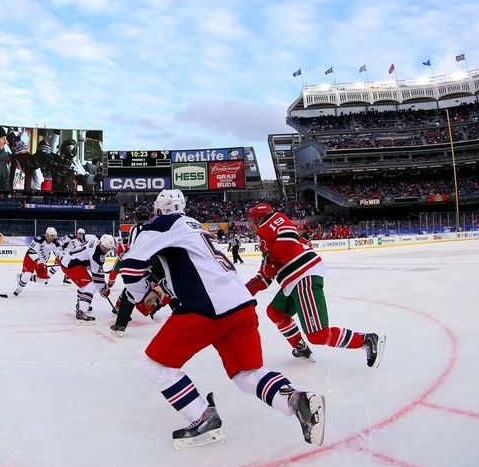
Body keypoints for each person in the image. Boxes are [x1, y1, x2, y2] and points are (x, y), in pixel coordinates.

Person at [120, 190, 325, 448]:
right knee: (247, 373)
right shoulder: (196, 227)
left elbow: (130, 268)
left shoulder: (161, 224)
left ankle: (202, 416)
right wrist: (164, 288)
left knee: (157, 365)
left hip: (207, 307)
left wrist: (141, 295)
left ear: (158, 209)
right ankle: (298, 401)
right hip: (240, 304)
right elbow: (192, 270)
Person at [245, 203, 385, 367]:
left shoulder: (273, 222)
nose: (251, 225)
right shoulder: (267, 244)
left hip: (304, 277)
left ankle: (366, 340)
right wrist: (241, 294)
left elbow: (288, 236)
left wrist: (271, 258)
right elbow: (264, 277)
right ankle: (300, 347)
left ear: (261, 218)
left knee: (318, 335)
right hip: (293, 282)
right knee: (275, 311)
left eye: (253, 220)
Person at [108, 208, 173, 337]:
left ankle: (120, 326)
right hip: (158, 261)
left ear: (136, 218)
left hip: (141, 261)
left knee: (130, 292)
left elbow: (133, 249)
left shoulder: (135, 229)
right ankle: (179, 314)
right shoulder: (156, 225)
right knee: (168, 287)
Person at [60, 233, 115, 324]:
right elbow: (97, 279)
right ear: (100, 243)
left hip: (71, 261)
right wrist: (105, 289)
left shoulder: (95, 240)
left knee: (85, 285)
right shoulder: (96, 255)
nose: (106, 250)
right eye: (104, 247)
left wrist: (103, 286)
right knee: (91, 286)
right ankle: (81, 311)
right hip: (71, 265)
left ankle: (81, 304)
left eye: (108, 249)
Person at [14, 227, 61, 296]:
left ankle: (21, 277)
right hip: (31, 258)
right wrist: (38, 261)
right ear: (47, 235)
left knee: (44, 280)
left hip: (42, 262)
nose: (53, 237)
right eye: (52, 235)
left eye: (54, 236)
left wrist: (64, 259)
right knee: (27, 275)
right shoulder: (39, 239)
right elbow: (31, 251)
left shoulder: (56, 243)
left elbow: (58, 254)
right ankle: (19, 289)